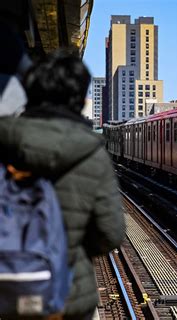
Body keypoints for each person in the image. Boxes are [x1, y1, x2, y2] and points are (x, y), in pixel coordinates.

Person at [0, 49, 125, 319]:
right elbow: (110, 233)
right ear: (80, 100)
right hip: (67, 294)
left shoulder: (4, 141)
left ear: (28, 92)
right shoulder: (92, 154)